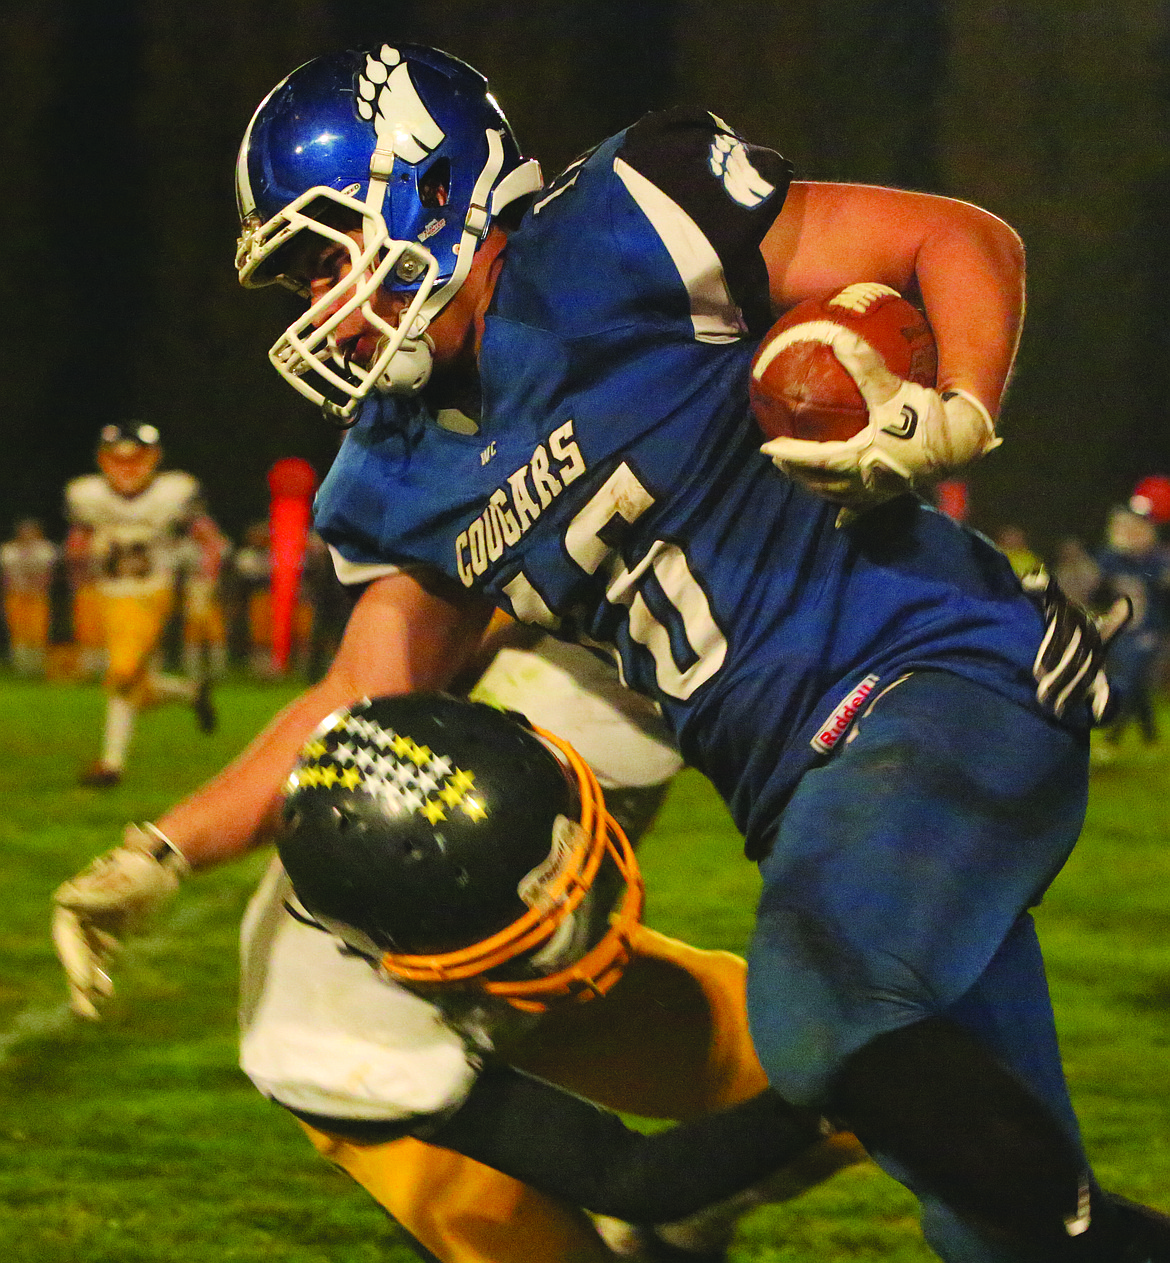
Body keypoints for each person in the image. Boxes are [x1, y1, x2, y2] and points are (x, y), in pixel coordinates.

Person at [53, 43, 1160, 1261]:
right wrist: (161, 852)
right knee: (1000, 1226)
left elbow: (957, 240)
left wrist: (959, 407)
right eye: (303, 281)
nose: (326, 305)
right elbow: (359, 701)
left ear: (432, 187)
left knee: (822, 1005)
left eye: (332, 251)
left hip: (937, 676)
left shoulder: (625, 221)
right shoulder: (396, 472)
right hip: (801, 792)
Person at [64, 423, 224, 787]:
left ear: (153, 459)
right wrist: (81, 576)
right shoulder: (87, 495)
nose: (127, 467)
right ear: (102, 460)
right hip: (108, 595)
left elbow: (208, 540)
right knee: (136, 685)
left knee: (121, 673)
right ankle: (190, 692)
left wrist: (202, 586)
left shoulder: (174, 492)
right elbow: (78, 541)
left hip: (152, 594)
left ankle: (111, 766)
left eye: (136, 458)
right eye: (117, 459)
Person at [1095, 504, 1170, 750]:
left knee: (1126, 680)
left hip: (1148, 630)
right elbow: (1098, 590)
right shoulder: (1111, 559)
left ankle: (1111, 740)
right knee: (1134, 682)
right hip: (1122, 629)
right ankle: (1151, 738)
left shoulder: (1156, 560)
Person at [0, 517, 58, 677]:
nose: (28, 535)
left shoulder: (46, 549)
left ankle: (38, 667)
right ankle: (22, 668)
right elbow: (7, 576)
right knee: (19, 632)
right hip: (17, 595)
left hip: (38, 596)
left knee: (38, 631)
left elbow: (47, 574)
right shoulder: (8, 550)